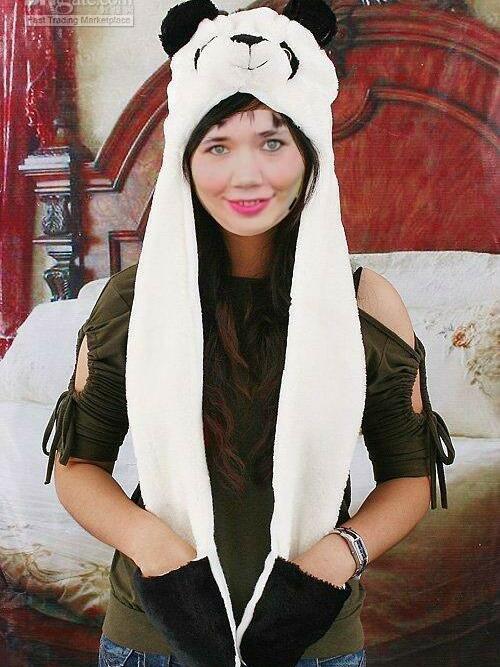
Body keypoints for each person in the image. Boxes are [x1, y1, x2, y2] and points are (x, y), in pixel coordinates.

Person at [42, 2, 455, 667]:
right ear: (185, 158)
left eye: (272, 142)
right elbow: (77, 465)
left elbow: (409, 476)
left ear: (310, 151)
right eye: (218, 145)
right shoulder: (132, 300)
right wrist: (158, 551)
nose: (246, 174)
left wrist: (333, 559)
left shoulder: (367, 305)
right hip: (154, 639)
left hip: (315, 640)